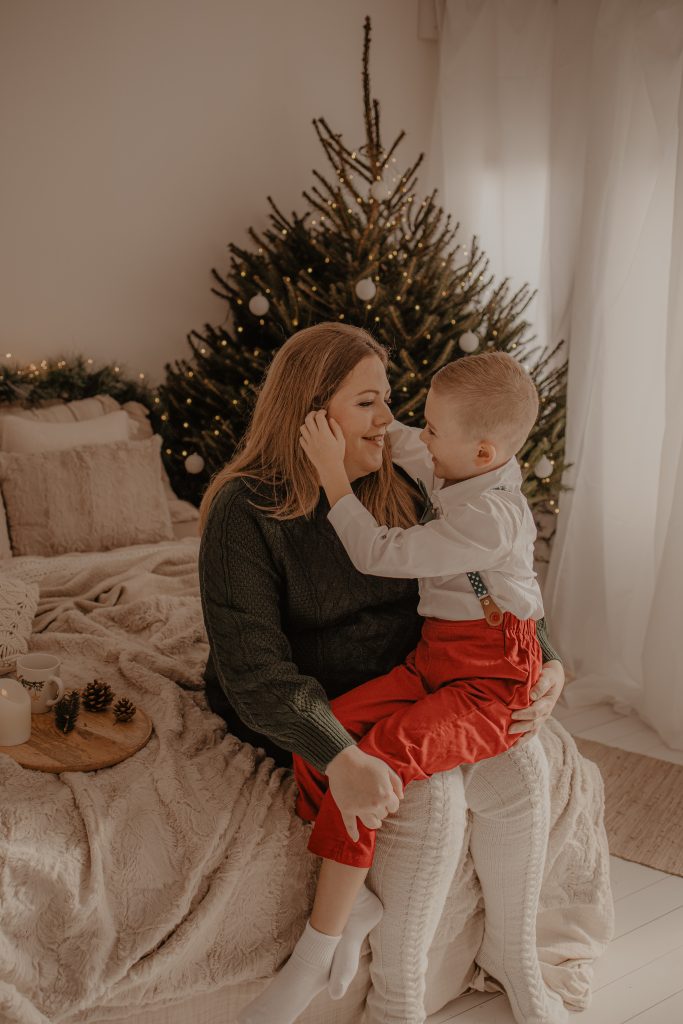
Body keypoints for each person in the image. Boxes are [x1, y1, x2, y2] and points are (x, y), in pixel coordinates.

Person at [197, 323, 591, 1024]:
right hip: (308, 704)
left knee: (525, 770)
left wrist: (550, 659)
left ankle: (515, 958)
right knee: (428, 794)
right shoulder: (244, 509)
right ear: (312, 415)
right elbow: (256, 670)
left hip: (426, 678)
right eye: (369, 404)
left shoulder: (409, 477)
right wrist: (337, 751)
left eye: (390, 402)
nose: (392, 422)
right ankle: (385, 994)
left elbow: (489, 578)